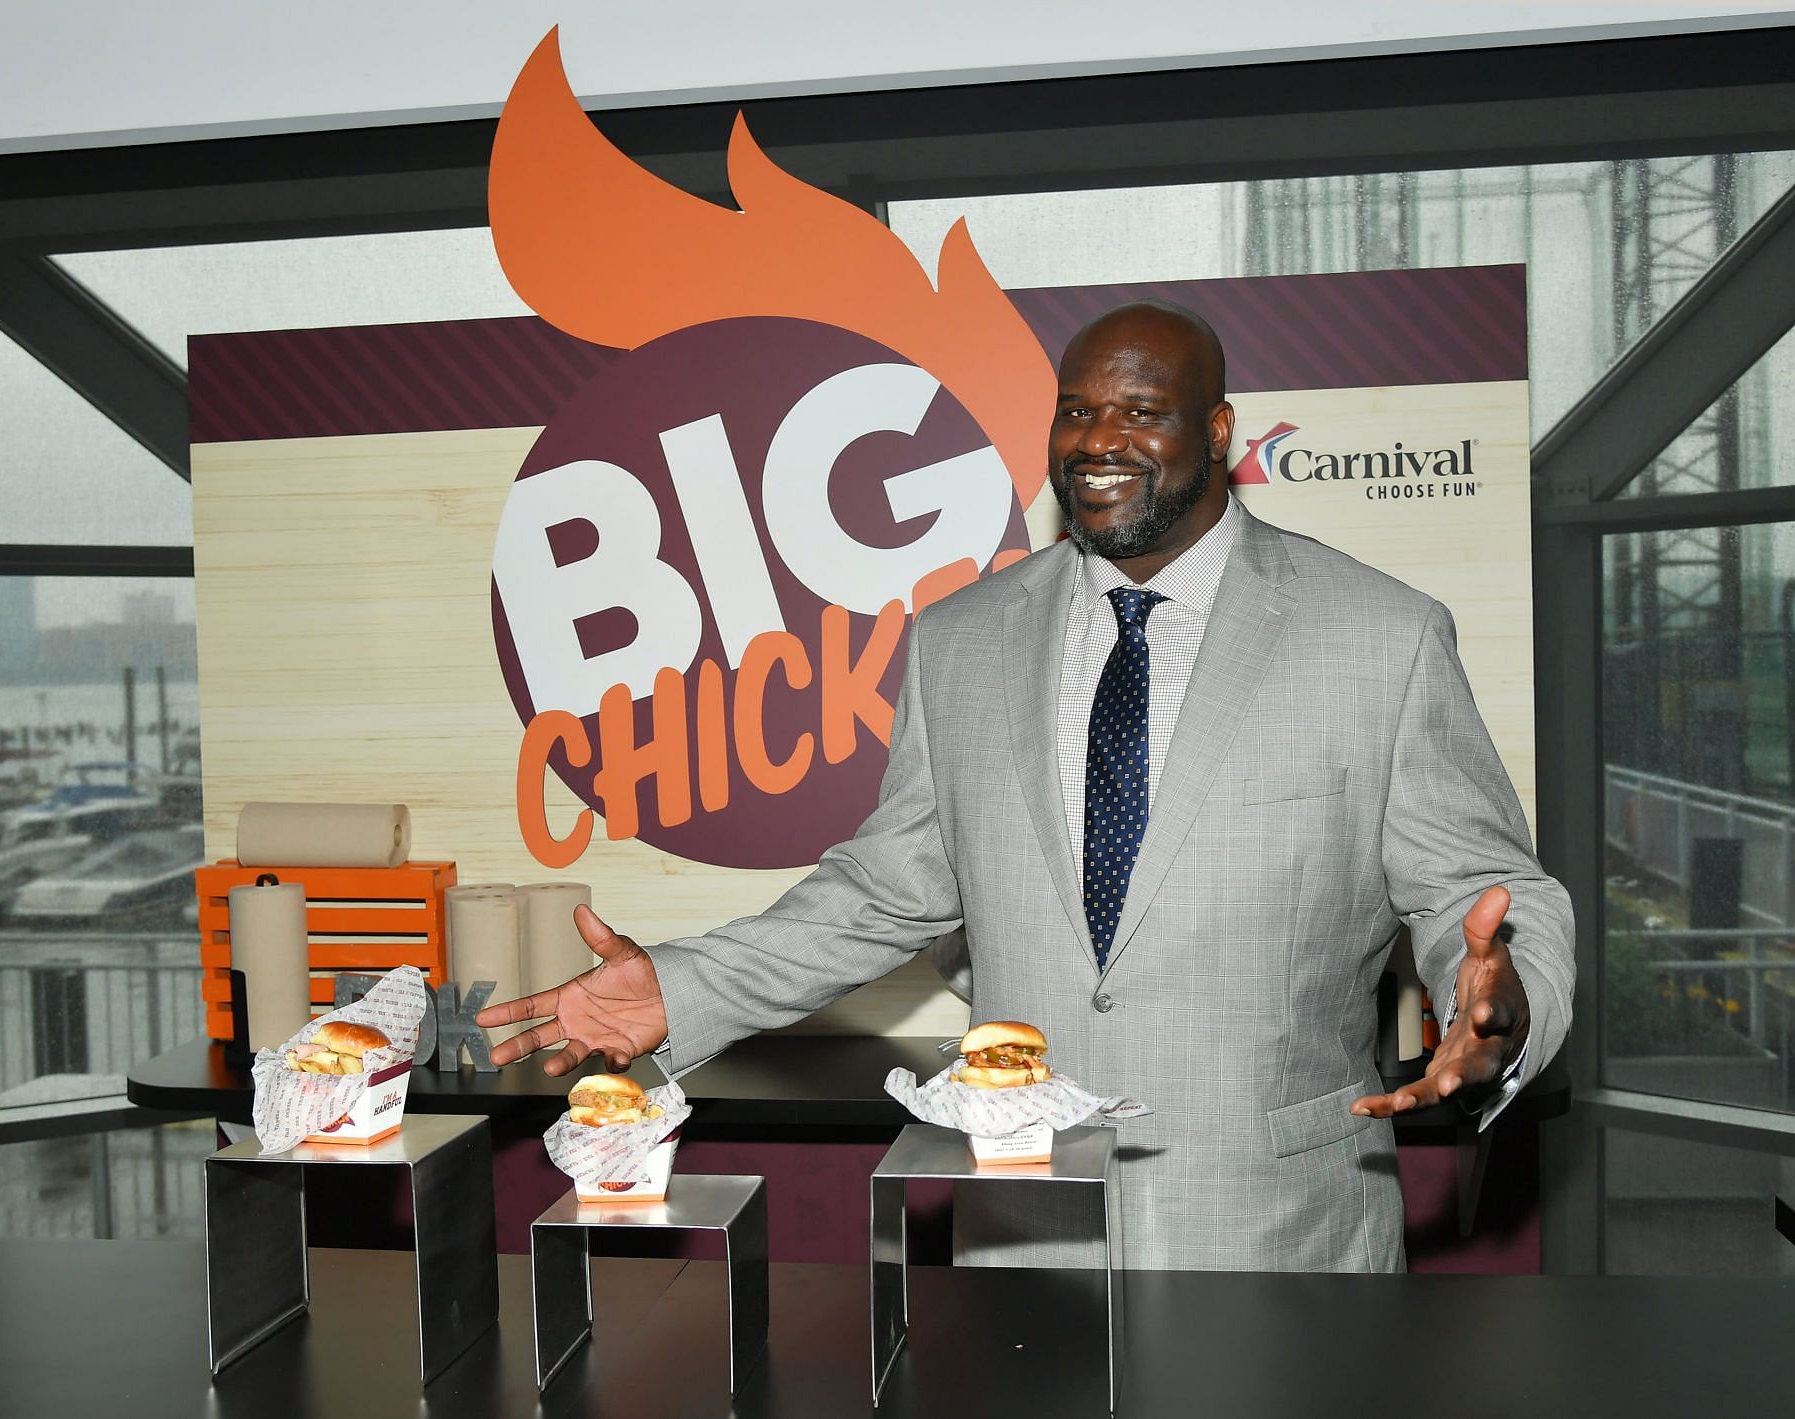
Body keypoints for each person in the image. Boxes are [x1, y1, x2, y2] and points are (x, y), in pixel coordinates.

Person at [479, 300, 1575, 1271]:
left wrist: (1501, 1003)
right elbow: (887, 889)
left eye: (1142, 411)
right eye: (1076, 411)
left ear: (1220, 433)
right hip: (1027, 1232)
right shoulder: (962, 643)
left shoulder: (1378, 636)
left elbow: (1478, 889)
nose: (1100, 440)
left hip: (1278, 1235)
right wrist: (682, 988)